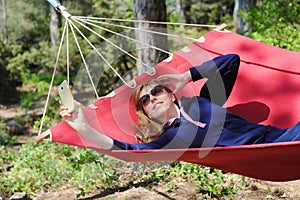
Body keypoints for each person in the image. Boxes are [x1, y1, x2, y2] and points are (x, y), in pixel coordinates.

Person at [60, 54, 300, 150]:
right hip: (260, 155)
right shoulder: (171, 138)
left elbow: (231, 62)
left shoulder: (203, 101)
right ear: (147, 112)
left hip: (280, 139)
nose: (152, 98)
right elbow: (130, 150)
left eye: (156, 91)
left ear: (170, 93)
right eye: (145, 99)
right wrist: (84, 128)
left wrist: (187, 76)